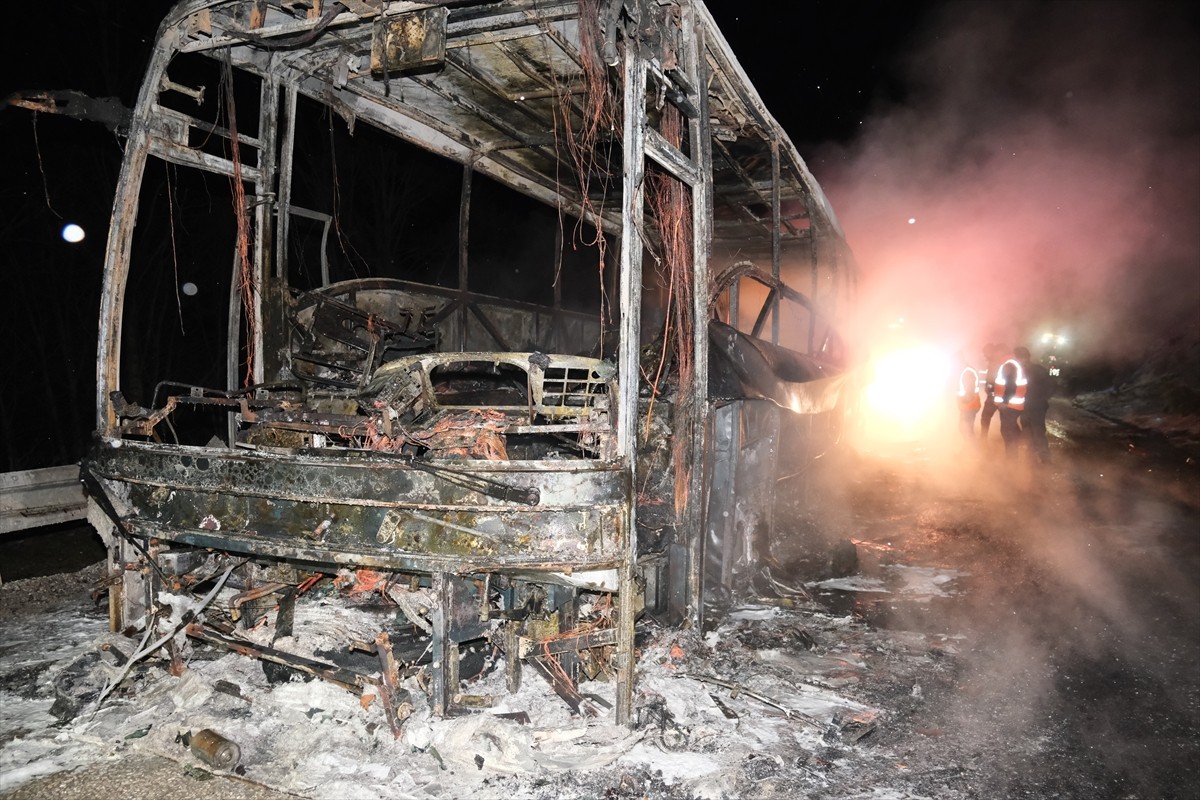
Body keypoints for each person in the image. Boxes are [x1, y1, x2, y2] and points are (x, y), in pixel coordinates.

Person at [1015, 345, 1053, 463]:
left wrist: (1041, 399)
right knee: (1029, 431)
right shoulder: (1036, 370)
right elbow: (1051, 387)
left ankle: (1044, 457)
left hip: (1035, 407)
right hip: (1028, 407)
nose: (1018, 361)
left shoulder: (1032, 371)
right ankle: (1033, 455)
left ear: (1024, 358)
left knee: (1037, 431)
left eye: (1019, 358)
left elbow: (1051, 386)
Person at [991, 345, 1027, 459]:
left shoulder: (1008, 365)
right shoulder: (1013, 364)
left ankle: (1011, 459)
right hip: (1012, 405)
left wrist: (1004, 402)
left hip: (1009, 405)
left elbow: (1010, 386)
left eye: (996, 353)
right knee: (1011, 430)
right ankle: (1014, 454)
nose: (994, 355)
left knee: (1007, 432)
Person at [955, 352, 982, 444]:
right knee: (965, 429)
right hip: (967, 405)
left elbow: (969, 390)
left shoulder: (967, 371)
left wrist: (964, 403)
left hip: (969, 405)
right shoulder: (964, 371)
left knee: (966, 430)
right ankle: (970, 451)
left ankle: (973, 453)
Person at [979, 343, 1002, 441]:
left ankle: (983, 440)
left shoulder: (996, 363)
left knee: (985, 417)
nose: (985, 356)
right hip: (996, 395)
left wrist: (989, 389)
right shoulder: (995, 362)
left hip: (995, 396)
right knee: (1007, 420)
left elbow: (993, 380)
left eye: (986, 353)